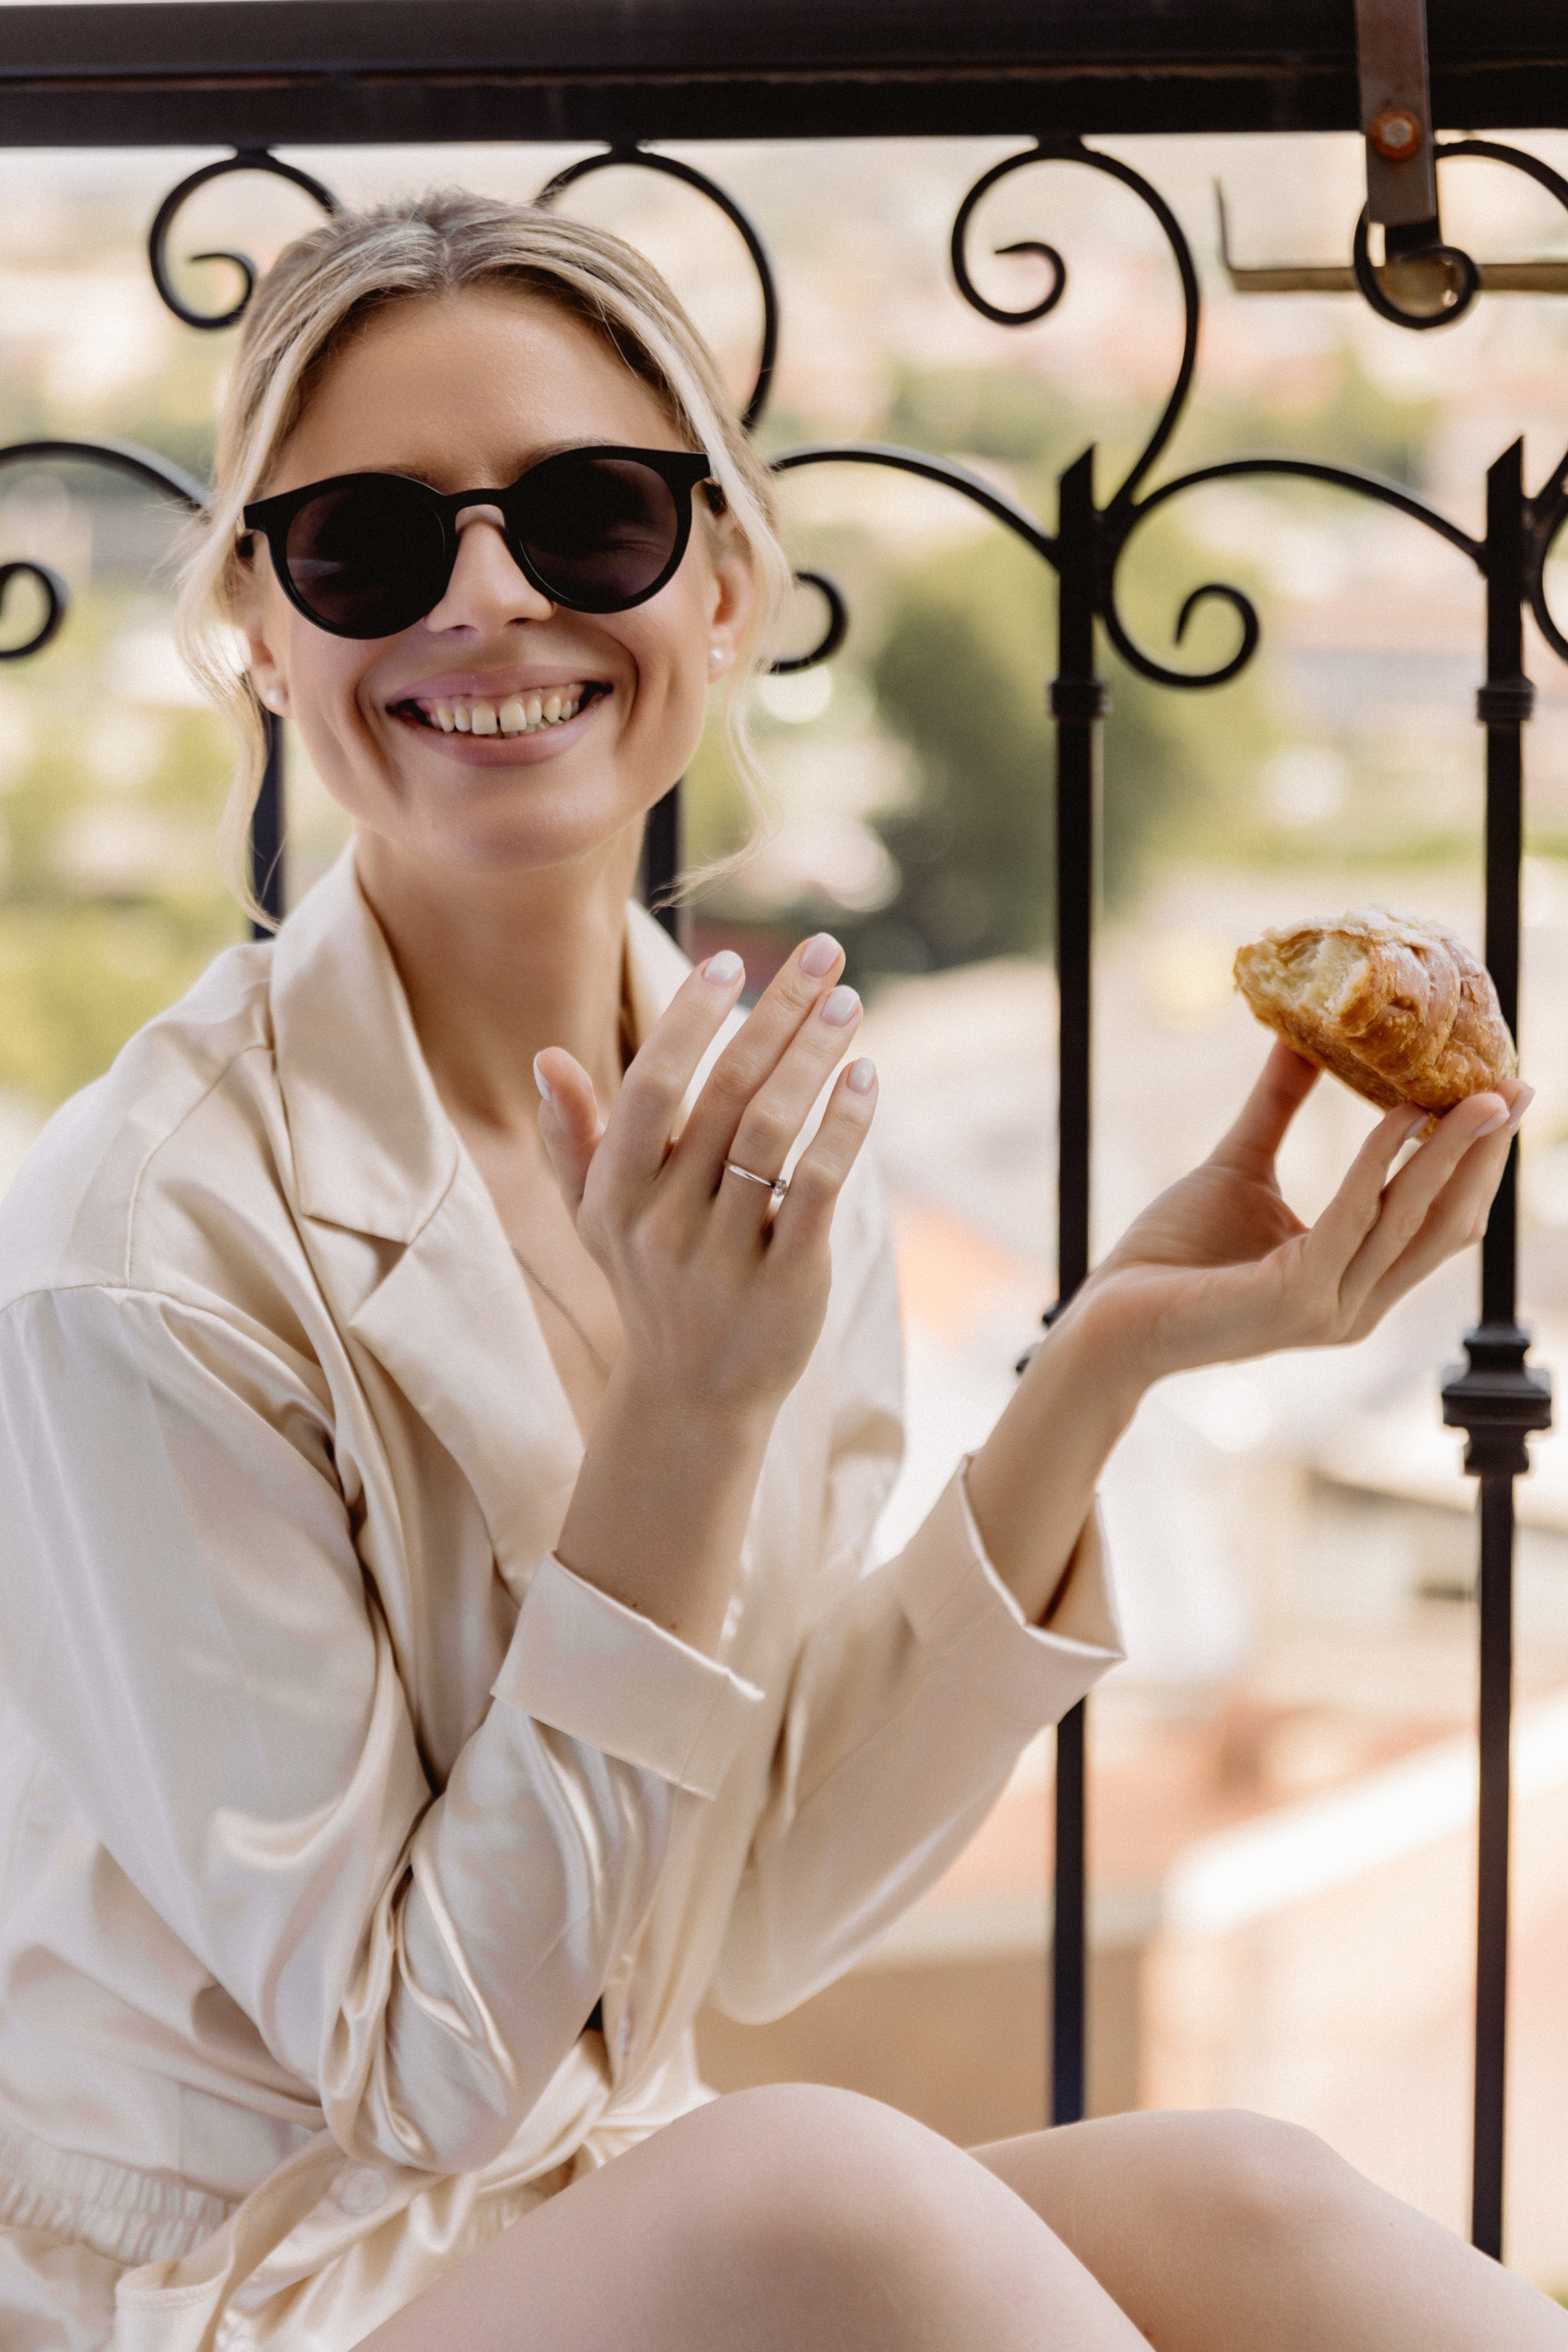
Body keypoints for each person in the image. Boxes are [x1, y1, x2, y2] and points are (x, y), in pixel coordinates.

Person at [0, 189, 1556, 2352]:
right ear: (261, 628)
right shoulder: (142, 1249)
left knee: (1251, 2196)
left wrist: (1100, 1367)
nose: (488, 596)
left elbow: (759, 1913)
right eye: (365, 544)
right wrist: (684, 1416)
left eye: (593, 517)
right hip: (249, 2292)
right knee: (815, 2180)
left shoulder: (748, 1122)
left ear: (724, 593)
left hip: (571, 2225)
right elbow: (429, 2073)